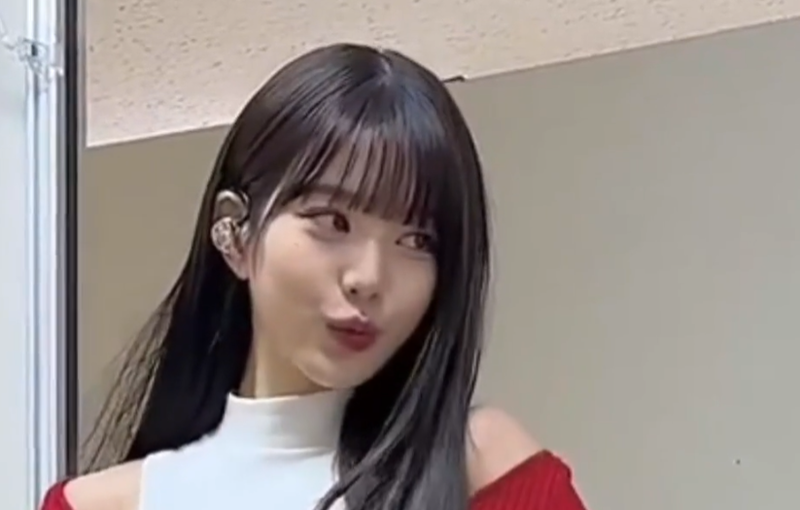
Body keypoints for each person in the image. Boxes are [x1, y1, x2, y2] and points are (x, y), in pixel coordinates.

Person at [40, 43, 588, 510]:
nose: (369, 277)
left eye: (417, 241)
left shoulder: (482, 468)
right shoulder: (93, 504)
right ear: (235, 234)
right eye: (333, 222)